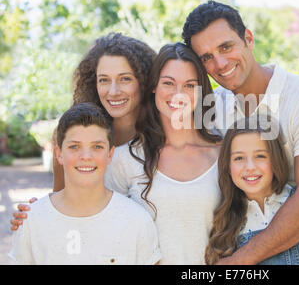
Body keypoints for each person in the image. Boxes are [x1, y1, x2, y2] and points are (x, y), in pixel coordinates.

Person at [182, 0, 299, 264]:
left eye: (226, 47)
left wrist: (237, 262)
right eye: (207, 57)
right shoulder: (213, 109)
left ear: (248, 38)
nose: (220, 63)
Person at [10, 32, 156, 229]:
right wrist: (35, 215)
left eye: (125, 79)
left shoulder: (163, 138)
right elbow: (62, 205)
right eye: (104, 80)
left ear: (145, 81)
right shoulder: (70, 138)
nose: (113, 91)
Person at [105, 42, 222, 264]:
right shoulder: (124, 160)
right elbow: (99, 226)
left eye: (189, 85)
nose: (178, 94)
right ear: (153, 87)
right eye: (169, 83)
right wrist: (35, 212)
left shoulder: (223, 155)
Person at [8, 103, 161, 265]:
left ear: (110, 154)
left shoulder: (136, 221)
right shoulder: (32, 221)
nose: (86, 156)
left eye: (97, 147)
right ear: (59, 153)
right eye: (74, 146)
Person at [205, 116, 299, 265]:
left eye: (260, 156)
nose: (250, 167)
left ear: (275, 160)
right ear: (227, 166)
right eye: (239, 158)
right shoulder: (225, 219)